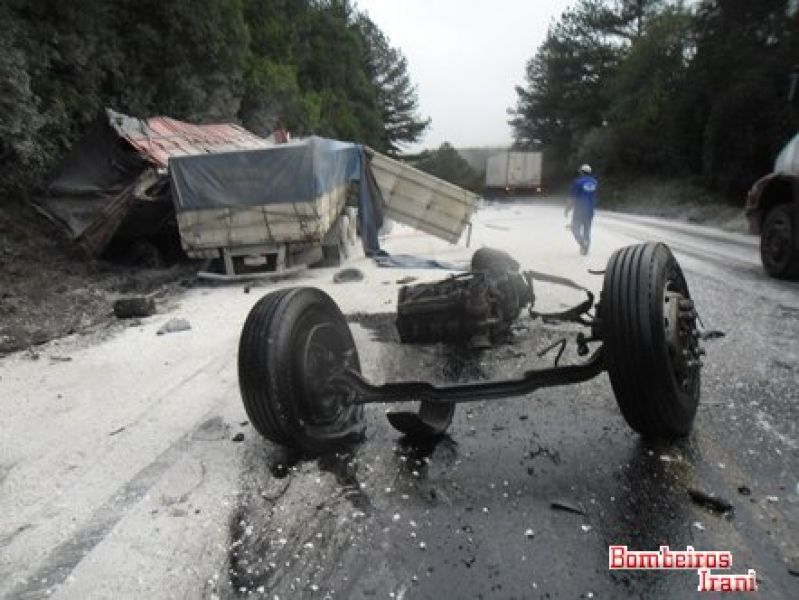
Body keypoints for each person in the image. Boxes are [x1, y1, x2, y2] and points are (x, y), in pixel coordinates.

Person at [564, 164, 598, 255]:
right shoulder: (594, 182)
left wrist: (567, 209)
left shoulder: (577, 182)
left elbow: (572, 198)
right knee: (587, 230)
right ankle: (586, 247)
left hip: (579, 210)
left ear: (581, 172)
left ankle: (583, 244)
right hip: (590, 210)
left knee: (575, 229)